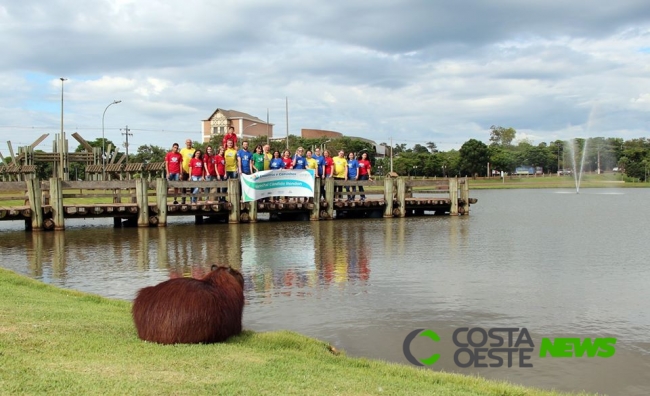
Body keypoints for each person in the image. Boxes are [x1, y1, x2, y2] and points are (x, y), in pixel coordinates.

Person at [179, 139, 196, 204]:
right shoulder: (183, 150)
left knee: (192, 185)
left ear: (191, 143)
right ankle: (183, 200)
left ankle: (192, 199)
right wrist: (181, 170)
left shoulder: (194, 150)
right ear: (185, 143)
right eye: (188, 142)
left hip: (192, 171)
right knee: (183, 185)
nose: (189, 143)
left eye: (190, 142)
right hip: (184, 170)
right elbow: (180, 160)